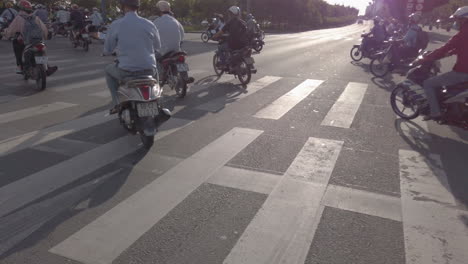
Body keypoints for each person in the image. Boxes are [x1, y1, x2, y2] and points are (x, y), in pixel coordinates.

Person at [103, 0, 161, 114]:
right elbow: (157, 47)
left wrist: (106, 52)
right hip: (149, 70)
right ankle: (157, 100)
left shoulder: (116, 24)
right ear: (137, 7)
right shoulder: (149, 24)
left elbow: (108, 49)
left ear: (123, 7)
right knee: (155, 71)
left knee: (108, 71)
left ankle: (117, 103)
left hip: (127, 71)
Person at [420, 6, 468, 120]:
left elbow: (445, 47)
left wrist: (426, 58)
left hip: (463, 71)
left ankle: (435, 113)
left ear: (465, 19)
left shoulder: (463, 34)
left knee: (428, 84)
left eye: (458, 20)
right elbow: (463, 47)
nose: (456, 22)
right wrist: (452, 52)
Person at [5, 0, 57, 75]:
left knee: (16, 44)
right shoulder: (35, 17)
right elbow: (44, 29)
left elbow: (10, 31)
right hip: (38, 40)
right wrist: (45, 37)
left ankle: (20, 67)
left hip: (26, 41)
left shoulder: (18, 18)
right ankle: (46, 67)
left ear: (20, 8)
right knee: (42, 49)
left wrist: (6, 34)